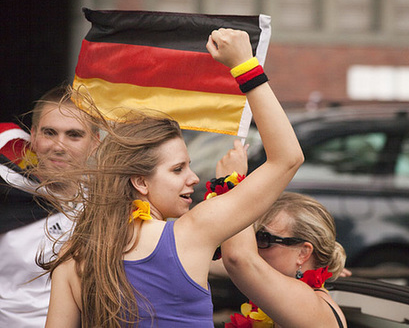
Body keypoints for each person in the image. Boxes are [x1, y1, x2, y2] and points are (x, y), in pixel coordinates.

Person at [42, 28, 303, 328]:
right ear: (140, 182)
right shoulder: (191, 233)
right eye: (178, 169)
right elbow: (287, 158)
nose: (193, 178)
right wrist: (245, 65)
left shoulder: (73, 254)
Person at [0, 85, 100, 327]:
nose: (59, 146)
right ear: (33, 136)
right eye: (50, 133)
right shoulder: (6, 194)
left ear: (94, 142)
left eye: (74, 135)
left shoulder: (107, 204)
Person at [221, 191, 348, 328]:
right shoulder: (284, 303)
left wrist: (230, 184)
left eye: (264, 238)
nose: (253, 247)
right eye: (253, 237)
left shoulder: (309, 303)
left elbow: (239, 258)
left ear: (303, 253)